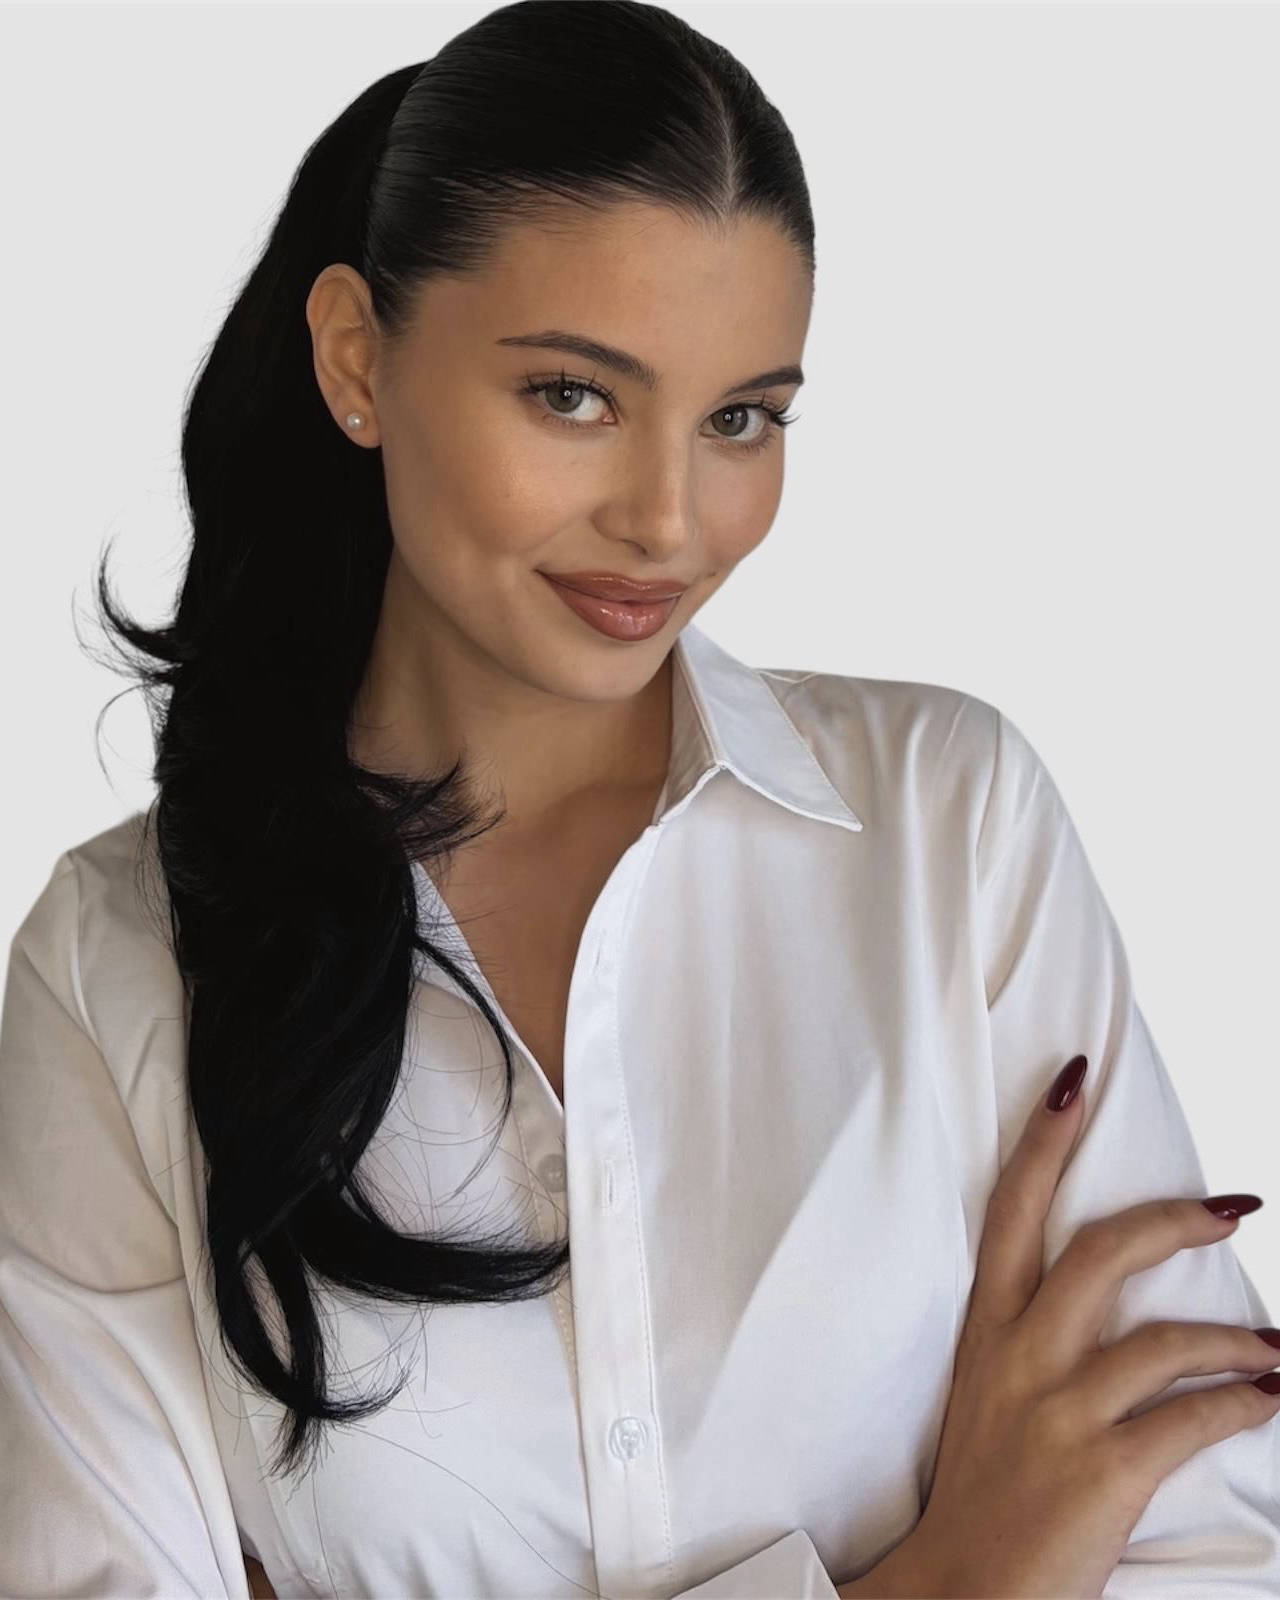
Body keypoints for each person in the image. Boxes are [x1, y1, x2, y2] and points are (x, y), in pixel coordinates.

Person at [1, 3, 1277, 1597]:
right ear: (357, 361)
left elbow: (1210, 1547)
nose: (669, 521)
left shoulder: (952, 827)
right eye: (573, 396)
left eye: (741, 418)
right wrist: (951, 1576)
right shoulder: (114, 966)